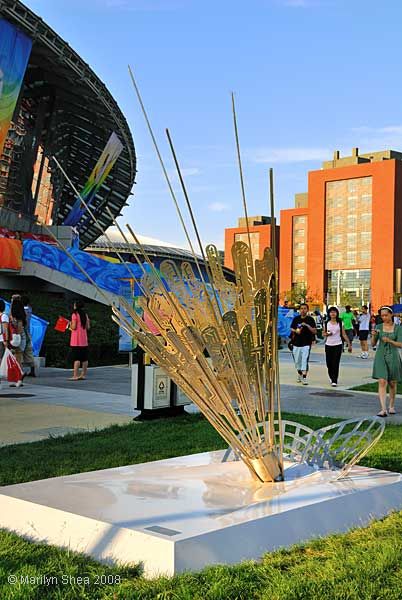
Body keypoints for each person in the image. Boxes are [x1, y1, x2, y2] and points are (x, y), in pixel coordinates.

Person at [371, 306, 402, 417]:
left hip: (393, 356)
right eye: (382, 315)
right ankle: (383, 409)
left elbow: (400, 344)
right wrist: (374, 336)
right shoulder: (379, 327)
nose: (384, 317)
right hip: (381, 355)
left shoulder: (398, 328)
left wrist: (390, 340)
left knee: (392, 382)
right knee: (382, 381)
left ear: (391, 314)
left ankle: (391, 406)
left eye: (386, 315)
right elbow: (373, 344)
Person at [323, 306, 352, 387]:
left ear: (337, 313)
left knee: (336, 362)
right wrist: (327, 334)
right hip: (328, 345)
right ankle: (331, 376)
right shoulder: (326, 323)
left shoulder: (340, 323)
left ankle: (334, 379)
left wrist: (349, 344)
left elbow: (344, 334)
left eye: (334, 312)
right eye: (331, 312)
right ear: (329, 314)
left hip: (338, 344)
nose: (333, 313)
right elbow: (323, 334)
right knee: (329, 363)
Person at [290, 303, 316, 385]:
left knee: (304, 360)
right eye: (301, 308)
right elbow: (291, 328)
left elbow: (314, 331)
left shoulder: (310, 319)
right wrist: (295, 331)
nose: (303, 310)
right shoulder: (296, 319)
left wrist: (307, 326)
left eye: (305, 308)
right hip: (296, 343)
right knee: (297, 361)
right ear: (299, 310)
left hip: (306, 343)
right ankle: (300, 374)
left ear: (307, 310)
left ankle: (304, 377)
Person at [69, 299, 90, 380]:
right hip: (84, 340)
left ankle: (75, 375)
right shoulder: (85, 314)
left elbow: (73, 327)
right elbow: (88, 327)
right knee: (84, 358)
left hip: (76, 340)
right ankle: (83, 375)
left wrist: (69, 325)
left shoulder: (74, 314)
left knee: (76, 358)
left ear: (76, 306)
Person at [9, 297, 27, 387]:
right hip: (18, 338)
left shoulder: (19, 318)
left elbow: (19, 330)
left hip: (18, 338)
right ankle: (18, 379)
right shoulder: (17, 316)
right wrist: (13, 301)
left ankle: (19, 379)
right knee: (17, 360)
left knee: (18, 360)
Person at [21, 295, 35, 377]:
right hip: (28, 332)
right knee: (29, 351)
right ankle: (32, 370)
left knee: (20, 351)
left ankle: (20, 370)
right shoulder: (30, 309)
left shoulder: (22, 311)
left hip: (22, 332)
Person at [0, 299, 9, 363]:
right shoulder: (3, 316)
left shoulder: (3, 316)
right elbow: (5, 330)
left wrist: (5, 340)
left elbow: (5, 329)